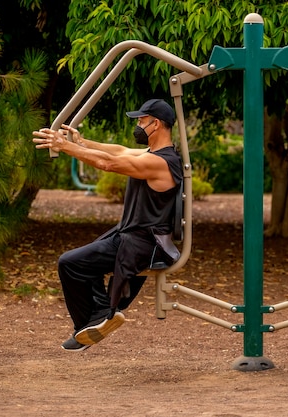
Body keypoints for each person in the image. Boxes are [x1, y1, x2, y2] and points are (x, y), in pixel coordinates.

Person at [33, 99, 183, 351]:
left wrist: (66, 147)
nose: (137, 126)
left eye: (141, 121)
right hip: (132, 234)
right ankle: (96, 319)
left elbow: (108, 163)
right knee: (80, 262)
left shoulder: (160, 163)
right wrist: (82, 144)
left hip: (144, 242)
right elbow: (118, 151)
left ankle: (97, 317)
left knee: (69, 263)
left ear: (155, 124)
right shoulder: (152, 154)